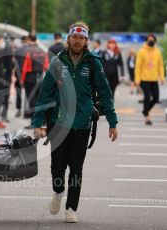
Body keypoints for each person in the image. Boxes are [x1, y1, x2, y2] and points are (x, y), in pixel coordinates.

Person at [32, 21, 118, 223]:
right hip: (58, 122)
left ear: (86, 40)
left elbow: (105, 94)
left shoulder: (93, 63)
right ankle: (58, 191)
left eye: (81, 38)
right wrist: (38, 122)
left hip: (82, 123)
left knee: (76, 168)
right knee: (57, 167)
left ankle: (71, 208)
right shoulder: (57, 63)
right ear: (68, 39)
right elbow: (44, 95)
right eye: (74, 37)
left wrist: (113, 122)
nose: (77, 41)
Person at [135, 33, 164, 125]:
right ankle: (147, 117)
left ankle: (145, 110)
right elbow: (138, 66)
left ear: (155, 41)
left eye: (152, 39)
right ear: (146, 40)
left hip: (154, 78)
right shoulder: (141, 51)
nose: (151, 41)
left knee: (156, 98)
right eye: (149, 39)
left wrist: (162, 77)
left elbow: (160, 65)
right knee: (147, 96)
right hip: (144, 79)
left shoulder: (158, 52)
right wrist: (137, 79)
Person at [21, 34, 49, 129]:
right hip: (41, 77)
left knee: (31, 101)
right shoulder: (42, 51)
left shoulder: (28, 51)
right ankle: (44, 121)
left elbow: (25, 67)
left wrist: (22, 79)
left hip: (30, 78)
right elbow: (46, 66)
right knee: (40, 100)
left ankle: (34, 123)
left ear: (29, 39)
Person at [14, 35, 28, 118]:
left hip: (18, 74)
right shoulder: (29, 50)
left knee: (18, 92)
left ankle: (19, 109)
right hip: (27, 74)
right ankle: (26, 110)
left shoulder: (17, 50)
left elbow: (15, 63)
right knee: (27, 92)